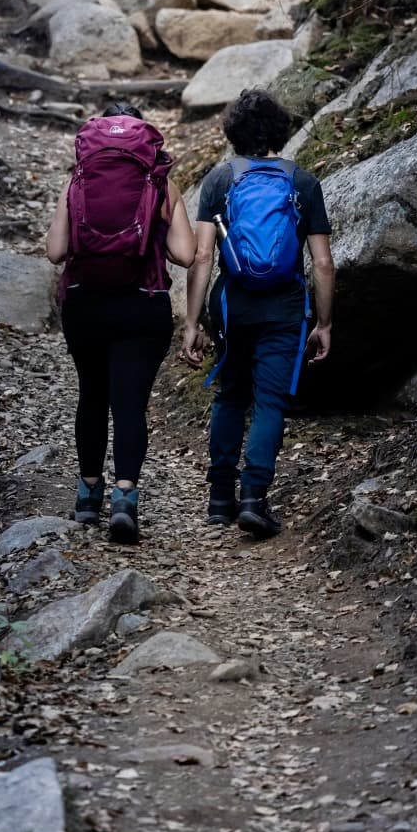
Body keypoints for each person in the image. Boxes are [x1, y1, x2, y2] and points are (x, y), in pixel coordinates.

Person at [182, 88, 334, 539]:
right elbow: (322, 263)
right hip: (285, 307)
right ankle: (254, 497)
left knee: (231, 394)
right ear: (280, 131)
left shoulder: (220, 180)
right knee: (270, 401)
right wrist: (324, 324)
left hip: (232, 306)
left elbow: (204, 256)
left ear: (234, 133)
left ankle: (219, 499)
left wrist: (191, 323)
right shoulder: (303, 183)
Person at [46, 103, 195, 545]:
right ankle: (125, 499)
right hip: (141, 303)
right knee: (129, 404)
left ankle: (87, 496)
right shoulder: (160, 182)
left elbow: (55, 251)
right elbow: (185, 255)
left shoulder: (78, 180)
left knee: (91, 396)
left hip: (84, 303)